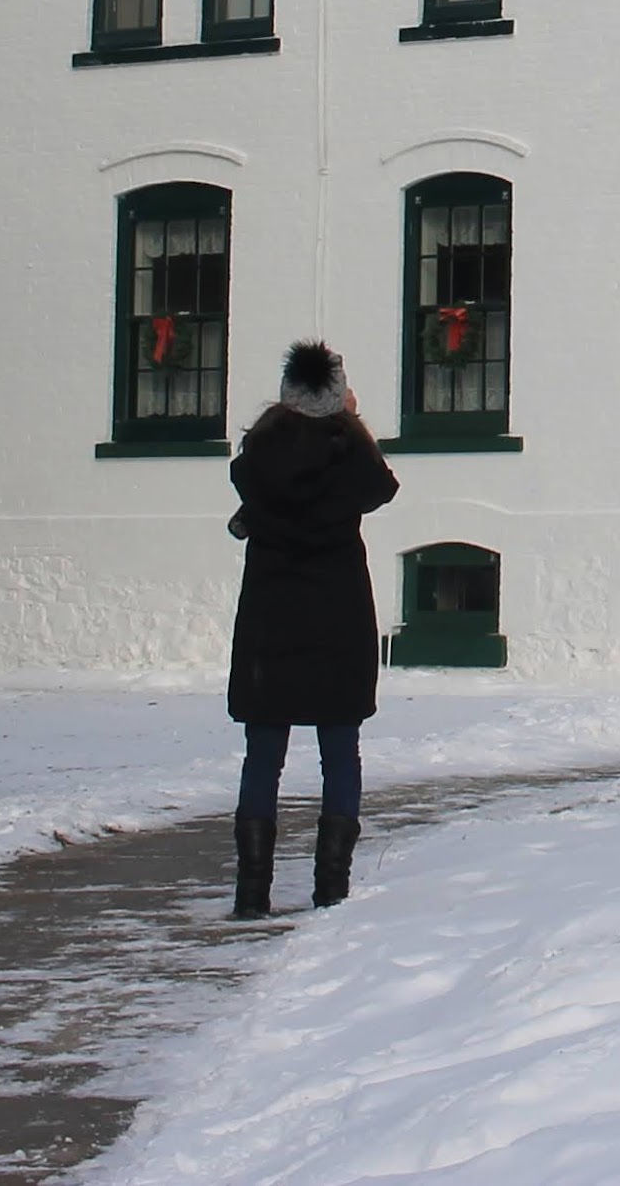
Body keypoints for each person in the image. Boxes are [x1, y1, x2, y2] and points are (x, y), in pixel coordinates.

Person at [227, 337, 399, 916]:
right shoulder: (348, 454)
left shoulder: (260, 455)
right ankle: (331, 889)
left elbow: (250, 483)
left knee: (262, 755)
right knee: (340, 752)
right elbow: (380, 486)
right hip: (338, 619)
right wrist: (350, 423)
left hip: (270, 621)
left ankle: (252, 892)